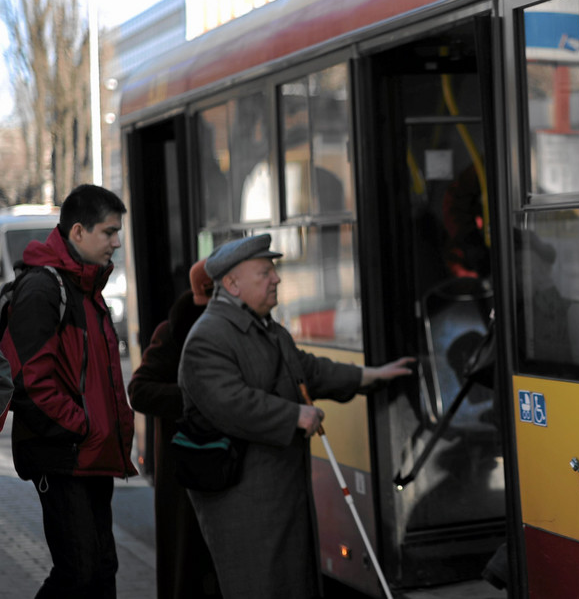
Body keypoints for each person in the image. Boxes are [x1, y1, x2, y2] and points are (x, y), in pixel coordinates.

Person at [178, 233, 416, 599]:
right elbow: (230, 403)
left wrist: (372, 376)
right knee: (259, 585)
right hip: (243, 499)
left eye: (273, 271)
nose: (276, 279)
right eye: (265, 272)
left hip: (280, 492)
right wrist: (294, 415)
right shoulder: (207, 338)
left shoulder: (267, 329)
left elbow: (309, 370)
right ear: (232, 284)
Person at [0, 184, 135, 599]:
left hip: (91, 456)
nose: (117, 242)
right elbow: (29, 382)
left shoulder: (88, 289)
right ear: (78, 232)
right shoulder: (45, 290)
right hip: (64, 456)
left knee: (101, 571)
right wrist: (85, 427)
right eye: (109, 232)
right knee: (78, 572)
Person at [127, 260, 222, 599]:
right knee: (190, 567)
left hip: (225, 467)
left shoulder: (239, 327)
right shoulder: (175, 330)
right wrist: (196, 398)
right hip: (186, 464)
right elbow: (139, 390)